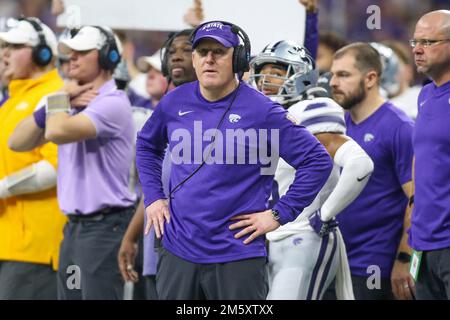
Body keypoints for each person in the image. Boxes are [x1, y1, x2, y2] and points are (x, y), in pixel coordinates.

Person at [136, 20, 333, 300]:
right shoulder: (173, 102)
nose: (210, 59)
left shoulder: (263, 111)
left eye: (220, 51)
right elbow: (146, 145)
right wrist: (154, 197)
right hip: (178, 251)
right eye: (202, 52)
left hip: (237, 254)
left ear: (239, 60)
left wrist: (278, 214)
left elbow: (317, 161)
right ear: (194, 58)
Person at [9, 25, 136, 300]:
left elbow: (56, 132)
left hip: (104, 228)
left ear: (107, 58)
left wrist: (58, 98)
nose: (73, 58)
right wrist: (58, 102)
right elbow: (17, 141)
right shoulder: (69, 104)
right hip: (76, 228)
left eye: (82, 52)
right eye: (71, 53)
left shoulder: (112, 102)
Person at [248, 40, 373, 300]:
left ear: (301, 77)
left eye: (277, 72)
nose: (266, 78)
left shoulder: (310, 111)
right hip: (264, 239)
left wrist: (324, 215)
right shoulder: (258, 117)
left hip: (302, 236)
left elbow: (361, 165)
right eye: (263, 70)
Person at [330, 42, 415, 300]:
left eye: (344, 75)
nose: (333, 82)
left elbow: (418, 199)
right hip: (334, 259)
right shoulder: (336, 123)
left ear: (370, 78)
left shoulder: (400, 127)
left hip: (375, 264)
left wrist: (404, 259)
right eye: (332, 74)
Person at [118, 28, 196, 300]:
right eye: (172, 52)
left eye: (186, 50)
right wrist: (131, 236)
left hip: (203, 253)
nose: (176, 57)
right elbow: (156, 186)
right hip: (158, 249)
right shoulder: (165, 113)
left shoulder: (223, 112)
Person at [0, 17, 66, 300]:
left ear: (42, 53)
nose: (4, 52)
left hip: (36, 246)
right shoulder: (12, 100)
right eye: (3, 46)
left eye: (15, 46)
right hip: (11, 240)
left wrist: (2, 188)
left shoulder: (56, 96)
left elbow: (54, 167)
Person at [408, 10, 450, 300]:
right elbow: (421, 156)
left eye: (428, 42)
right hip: (423, 244)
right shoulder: (425, 95)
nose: (418, 50)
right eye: (415, 42)